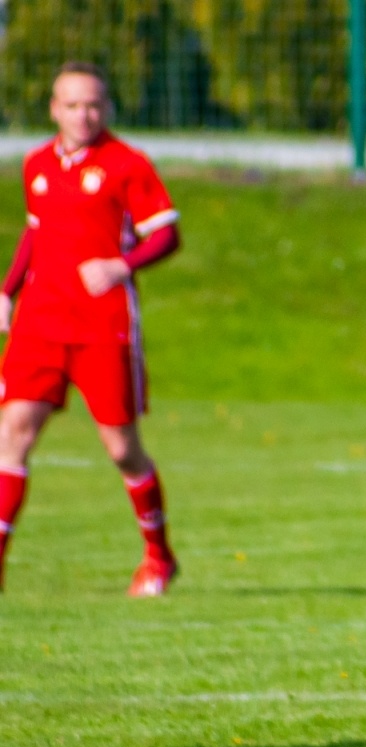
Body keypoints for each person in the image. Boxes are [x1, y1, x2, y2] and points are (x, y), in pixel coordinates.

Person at [0, 62, 182, 595]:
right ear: (54, 109)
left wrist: (120, 266)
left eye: (95, 105)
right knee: (12, 435)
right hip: (39, 324)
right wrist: (8, 292)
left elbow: (166, 234)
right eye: (74, 105)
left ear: (109, 109)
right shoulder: (36, 165)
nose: (85, 114)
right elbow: (36, 233)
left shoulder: (127, 164)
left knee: (122, 448)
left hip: (104, 328)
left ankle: (158, 556)